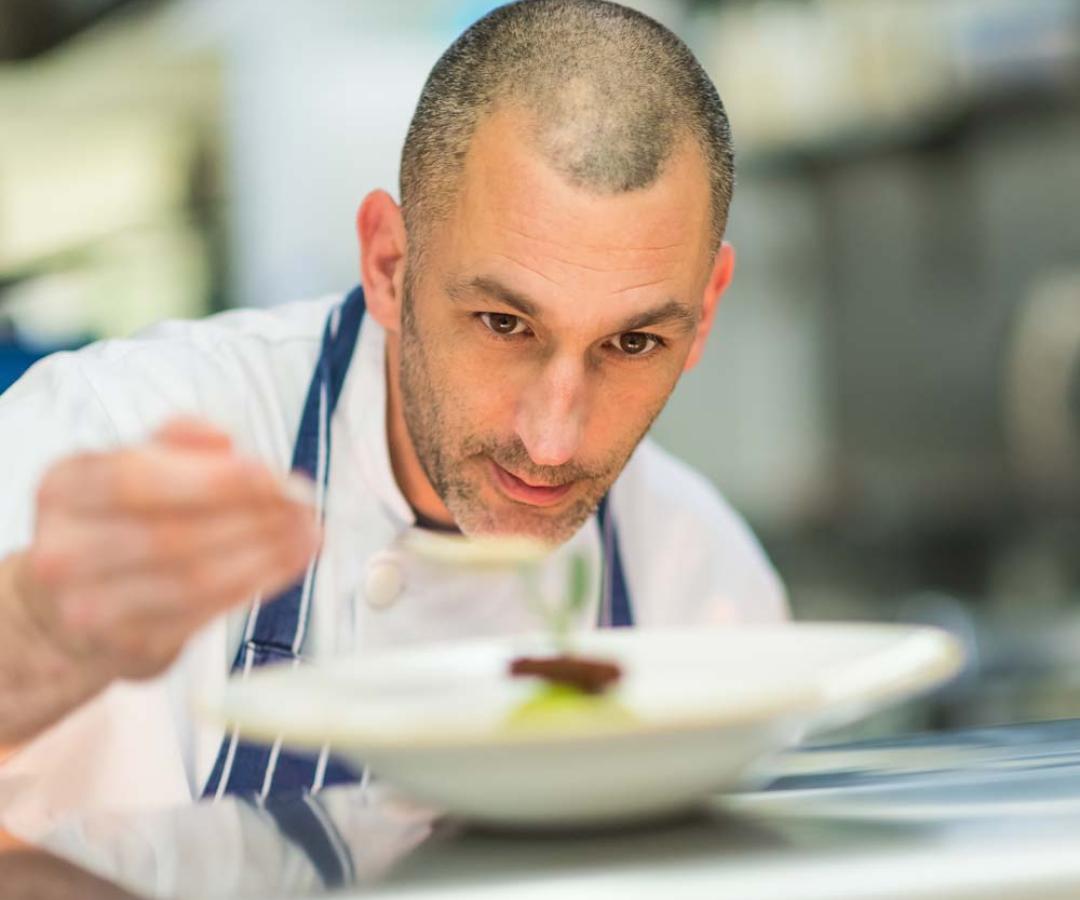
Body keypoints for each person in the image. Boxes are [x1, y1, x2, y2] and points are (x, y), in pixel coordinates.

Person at [0, 0, 787, 839]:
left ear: (704, 315)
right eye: (504, 324)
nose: (554, 438)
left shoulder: (704, 580)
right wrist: (38, 633)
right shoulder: (107, 429)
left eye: (632, 342)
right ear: (387, 264)